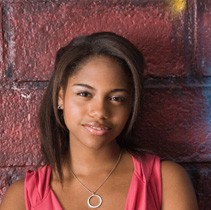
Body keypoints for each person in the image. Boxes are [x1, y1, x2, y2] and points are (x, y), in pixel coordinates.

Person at [0, 32, 198, 210]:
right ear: (61, 96)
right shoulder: (22, 199)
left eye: (116, 98)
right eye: (84, 93)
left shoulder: (165, 181)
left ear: (130, 105)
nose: (100, 111)